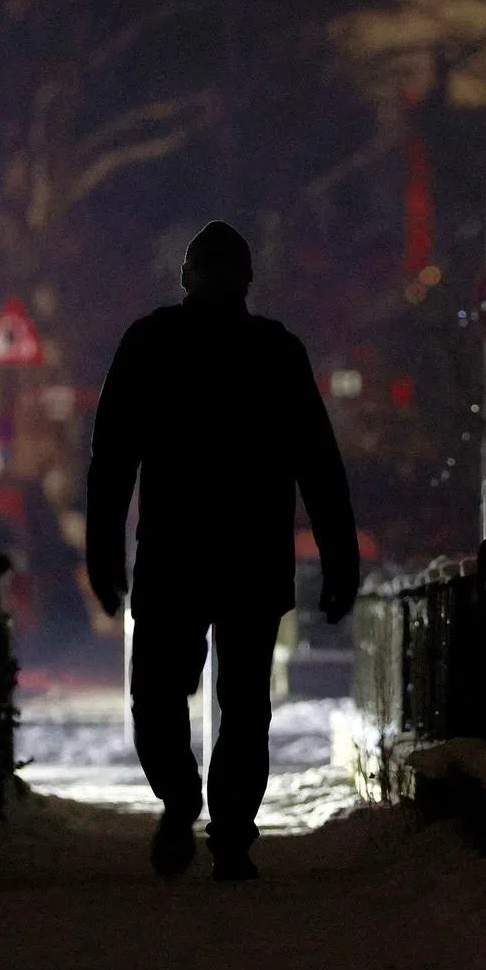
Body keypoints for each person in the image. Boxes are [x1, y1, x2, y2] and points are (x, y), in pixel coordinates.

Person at [86, 220, 359, 881]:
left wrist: (103, 554)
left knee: (156, 692)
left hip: (171, 557)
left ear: (187, 277)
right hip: (251, 558)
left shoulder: (150, 344)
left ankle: (179, 797)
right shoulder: (275, 352)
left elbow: (112, 460)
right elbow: (318, 464)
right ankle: (231, 834)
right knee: (244, 702)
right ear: (247, 280)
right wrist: (338, 558)